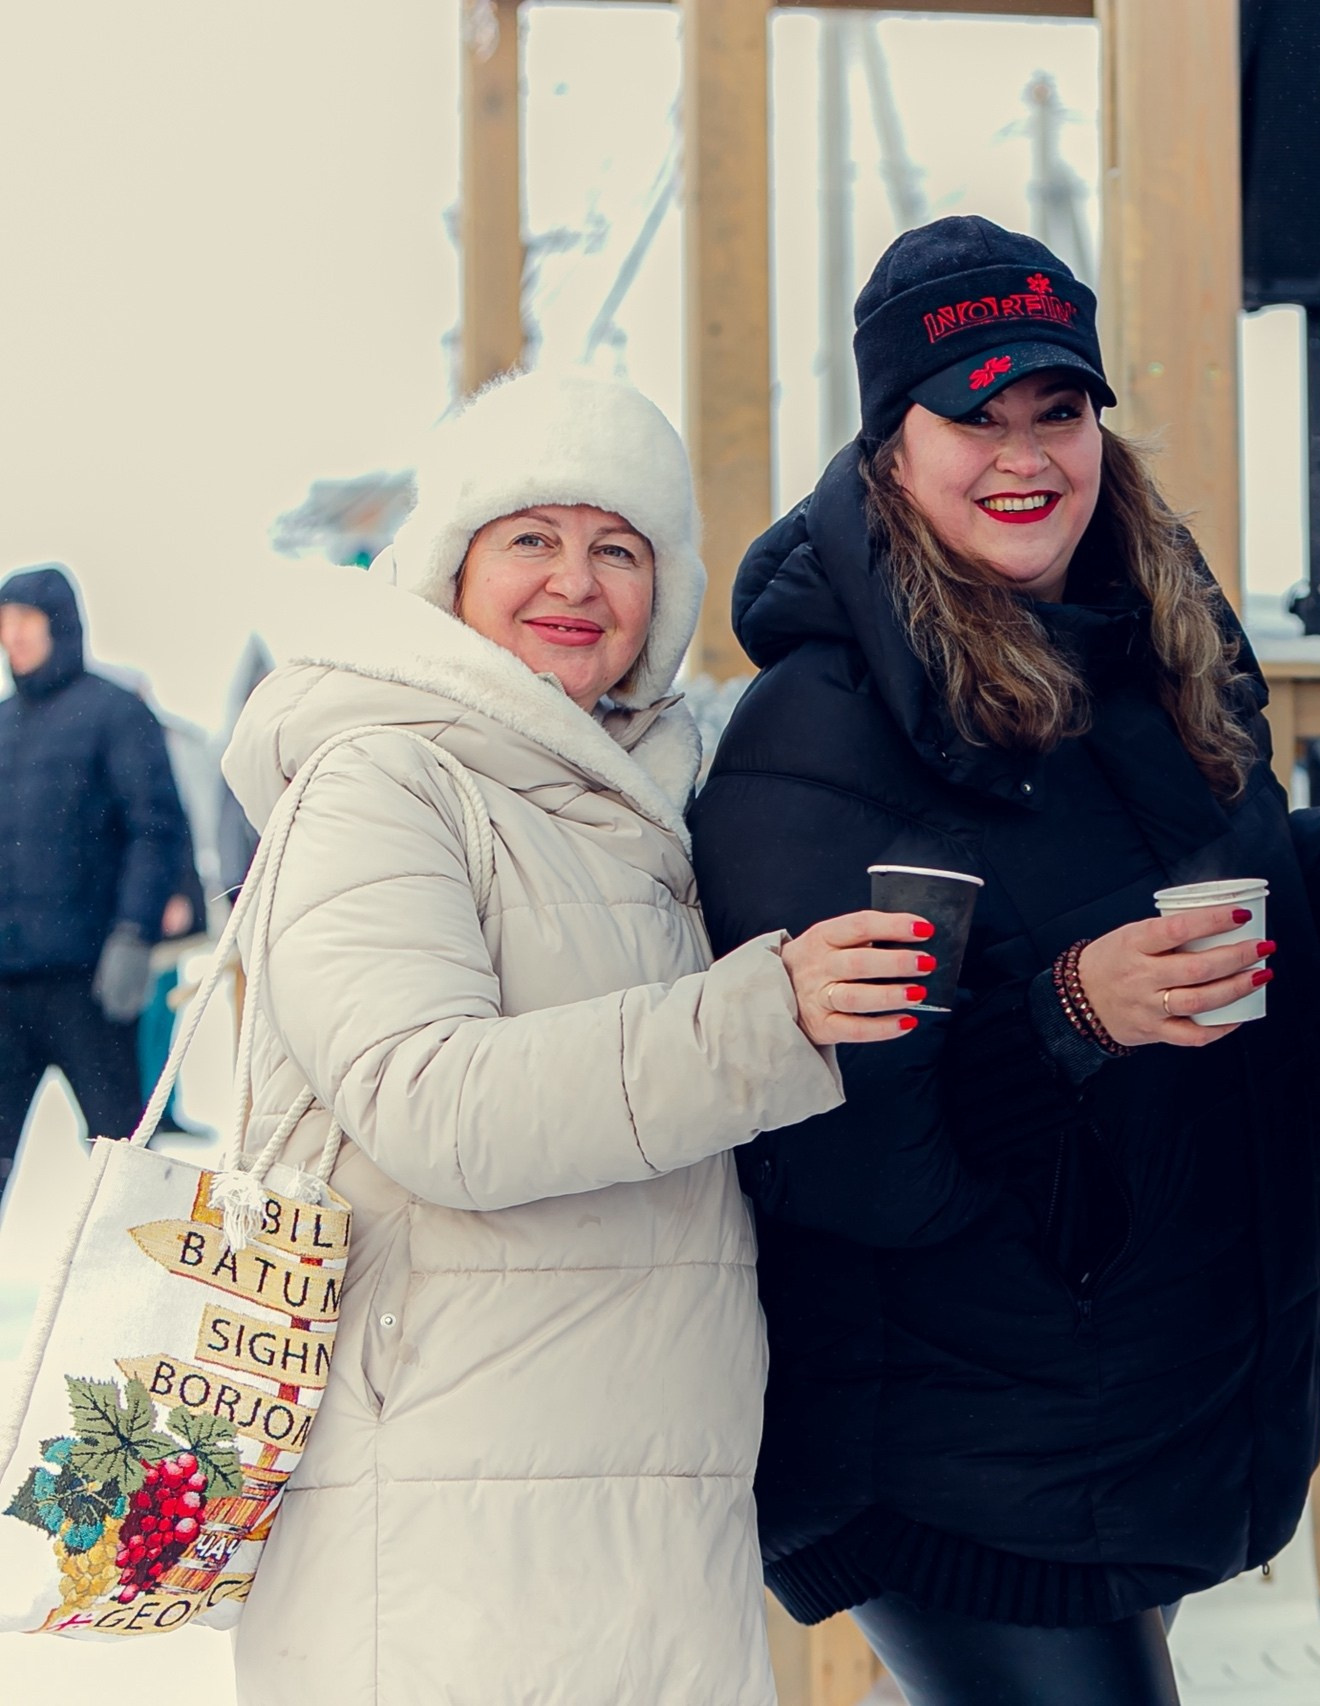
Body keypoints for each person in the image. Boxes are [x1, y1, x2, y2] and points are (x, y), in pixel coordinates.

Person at [688, 217, 1320, 1706]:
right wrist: (1071, 1009)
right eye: (972, 415)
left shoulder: (1149, 645)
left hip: (1120, 1416)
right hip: (958, 1455)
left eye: (1057, 409)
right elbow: (849, 1152)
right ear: (890, 441)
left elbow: (1239, 922)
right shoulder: (820, 729)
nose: (1025, 454)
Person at [219, 370, 926, 1705]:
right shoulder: (384, 776)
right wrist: (763, 1017)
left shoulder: (650, 802)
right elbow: (434, 1103)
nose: (576, 581)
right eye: (530, 539)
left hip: (639, 1501)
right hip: (446, 1509)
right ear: (453, 567)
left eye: (620, 547)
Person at [0, 563, 194, 1186]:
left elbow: (155, 827)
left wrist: (133, 932)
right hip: (7, 985)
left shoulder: (113, 713)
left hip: (91, 982)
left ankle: (140, 1279)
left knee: (122, 1162)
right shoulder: (2, 725)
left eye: (25, 620)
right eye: (4, 623)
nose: (13, 636)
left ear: (59, 624)